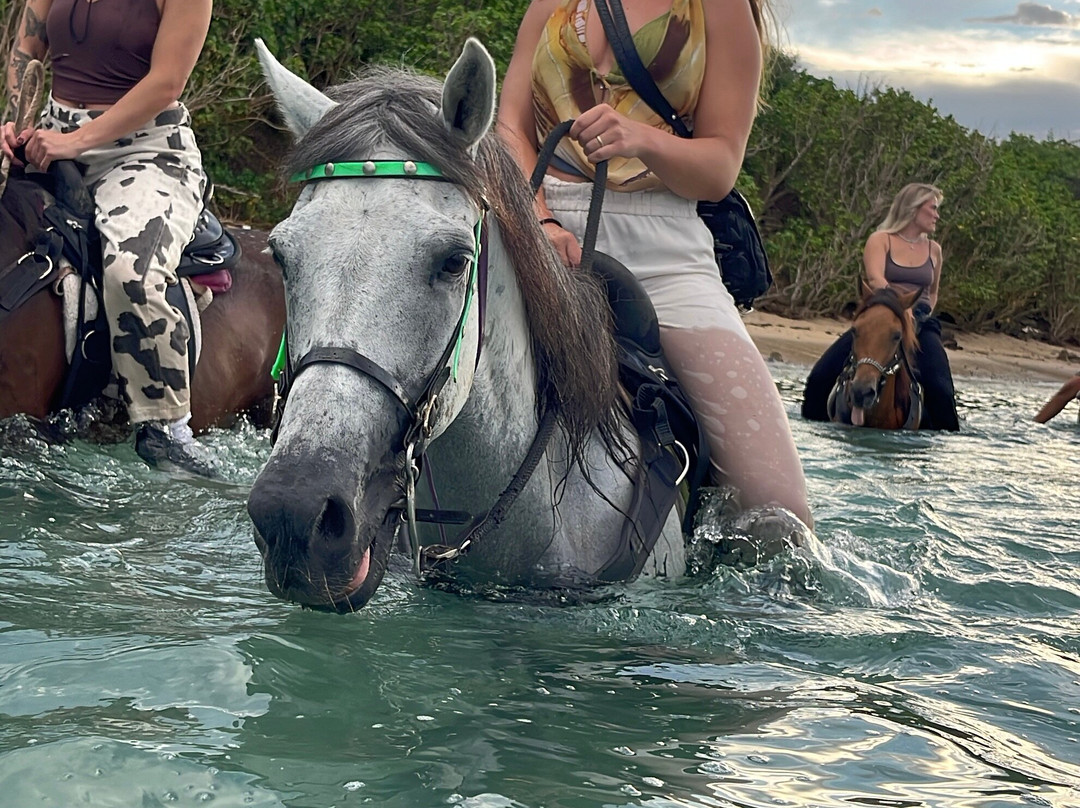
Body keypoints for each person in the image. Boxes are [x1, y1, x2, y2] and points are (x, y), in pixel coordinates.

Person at [497, 0, 813, 528]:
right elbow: (509, 125)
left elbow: (720, 167)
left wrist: (642, 139)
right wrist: (539, 219)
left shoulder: (722, 10)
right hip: (533, 224)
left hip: (662, 247)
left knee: (779, 511)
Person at [1, 0, 217, 474]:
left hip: (145, 151)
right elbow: (27, 48)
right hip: (52, 142)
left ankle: (166, 427)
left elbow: (166, 83)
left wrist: (76, 143)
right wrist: (15, 120)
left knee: (131, 271)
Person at [801, 183, 960, 431]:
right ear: (913, 209)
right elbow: (875, 279)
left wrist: (918, 314)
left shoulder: (934, 250)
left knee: (941, 388)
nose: (937, 215)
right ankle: (810, 428)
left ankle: (944, 440)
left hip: (919, 322)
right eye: (933, 208)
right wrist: (899, 307)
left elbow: (932, 292)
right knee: (821, 375)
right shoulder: (880, 240)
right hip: (880, 317)